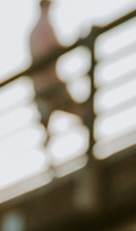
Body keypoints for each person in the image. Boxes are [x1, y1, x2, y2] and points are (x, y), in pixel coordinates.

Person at [29, 0, 84, 134]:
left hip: (40, 88)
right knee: (82, 111)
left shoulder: (34, 31)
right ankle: (92, 143)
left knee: (46, 125)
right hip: (52, 86)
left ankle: (47, 150)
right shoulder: (45, 27)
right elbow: (54, 49)